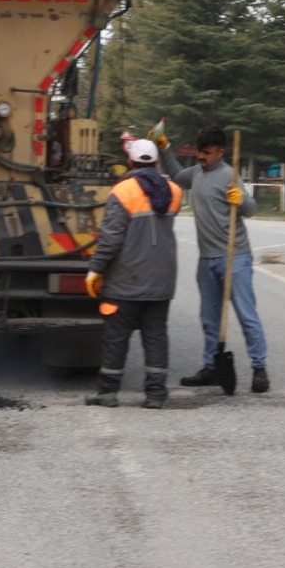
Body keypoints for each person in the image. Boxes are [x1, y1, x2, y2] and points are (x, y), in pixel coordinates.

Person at [159, 125, 270, 393]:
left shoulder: (229, 176)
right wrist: (164, 147)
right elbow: (174, 174)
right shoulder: (196, 174)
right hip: (206, 260)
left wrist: (240, 199)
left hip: (235, 257)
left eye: (206, 152)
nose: (200, 157)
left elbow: (251, 209)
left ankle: (259, 368)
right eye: (199, 151)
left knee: (246, 314)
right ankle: (210, 367)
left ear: (220, 152)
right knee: (209, 318)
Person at [83, 139, 183, 409]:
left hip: (126, 279)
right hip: (162, 279)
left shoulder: (122, 191)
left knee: (116, 337)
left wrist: (95, 269)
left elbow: (111, 239)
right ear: (156, 162)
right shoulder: (174, 191)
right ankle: (155, 394)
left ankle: (107, 393)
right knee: (155, 336)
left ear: (131, 162)